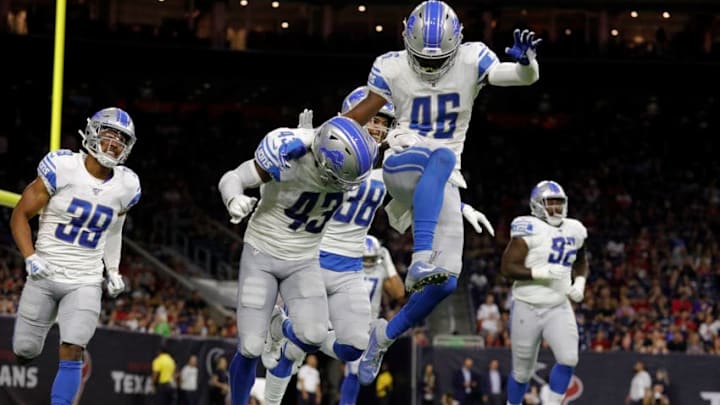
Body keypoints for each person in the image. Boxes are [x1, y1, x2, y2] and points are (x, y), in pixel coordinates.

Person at [342, 0, 539, 384]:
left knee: (447, 282)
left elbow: (517, 77)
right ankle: (419, 257)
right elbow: (364, 112)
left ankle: (383, 336)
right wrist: (324, 137)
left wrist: (528, 63)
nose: (430, 68)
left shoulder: (472, 58)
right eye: (424, 60)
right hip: (402, 163)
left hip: (444, 180)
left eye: (438, 60)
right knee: (440, 157)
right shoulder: (390, 66)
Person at [261, 89, 490, 405]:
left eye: (384, 121)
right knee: (301, 345)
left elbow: (424, 187)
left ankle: (281, 327)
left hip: (347, 268)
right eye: (372, 118)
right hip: (309, 256)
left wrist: (460, 207)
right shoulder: (322, 154)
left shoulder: (384, 176)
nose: (377, 127)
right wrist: (298, 154)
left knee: (347, 350)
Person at [217, 114, 378, 405]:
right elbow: (234, 176)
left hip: (303, 260)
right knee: (251, 346)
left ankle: (278, 327)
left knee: (314, 336)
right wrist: (233, 198)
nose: (351, 184)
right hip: (261, 253)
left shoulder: (332, 161)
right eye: (347, 174)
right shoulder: (288, 155)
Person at [9, 107, 140, 405]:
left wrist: (114, 270)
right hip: (45, 273)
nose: (113, 144)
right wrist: (30, 257)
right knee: (25, 350)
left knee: (73, 347)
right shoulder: (63, 167)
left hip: (86, 279)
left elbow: (114, 230)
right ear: (93, 133)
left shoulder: (127, 185)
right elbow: (20, 215)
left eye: (121, 139)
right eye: (108, 134)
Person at [500, 180, 589, 405]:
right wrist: (543, 272)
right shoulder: (527, 227)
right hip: (526, 306)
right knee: (522, 373)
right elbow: (507, 268)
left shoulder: (575, 229)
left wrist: (579, 283)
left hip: (558, 305)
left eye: (560, 203)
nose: (556, 209)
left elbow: (581, 260)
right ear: (537, 205)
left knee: (569, 358)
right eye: (551, 203)